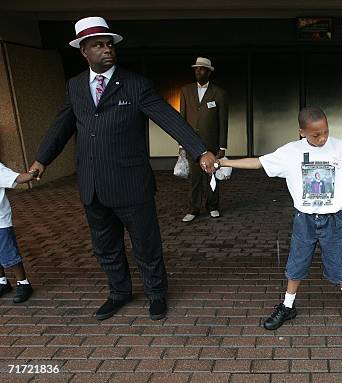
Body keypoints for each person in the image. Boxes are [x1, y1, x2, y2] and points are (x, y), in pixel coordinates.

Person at [29, 17, 216, 321]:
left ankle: (156, 294)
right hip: (92, 184)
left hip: (131, 183)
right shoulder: (75, 86)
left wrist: (199, 151)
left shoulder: (136, 84)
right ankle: (119, 292)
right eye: (98, 45)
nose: (107, 50)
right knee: (106, 247)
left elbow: (170, 119)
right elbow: (61, 125)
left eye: (109, 44)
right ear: (84, 52)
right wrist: (41, 160)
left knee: (146, 245)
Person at [218, 107, 342, 330]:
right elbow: (258, 163)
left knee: (339, 262)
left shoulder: (340, 149)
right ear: (302, 132)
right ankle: (287, 306)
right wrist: (224, 163)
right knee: (297, 262)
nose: (322, 138)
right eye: (315, 135)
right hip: (304, 220)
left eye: (325, 132)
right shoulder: (290, 152)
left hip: (332, 219)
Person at [180, 57, 229, 222]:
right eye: (196, 69)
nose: (198, 72)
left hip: (212, 143)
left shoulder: (219, 93)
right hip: (191, 143)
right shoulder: (185, 91)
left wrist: (222, 146)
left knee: (211, 177)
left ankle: (213, 206)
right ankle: (193, 209)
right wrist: (182, 143)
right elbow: (182, 118)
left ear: (209, 72)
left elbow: (223, 121)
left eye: (201, 69)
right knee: (194, 179)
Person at [0, 165, 38, 304]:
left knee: (9, 253)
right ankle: (2, 282)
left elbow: (17, 178)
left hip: (0, 222)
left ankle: (23, 283)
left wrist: (31, 174)